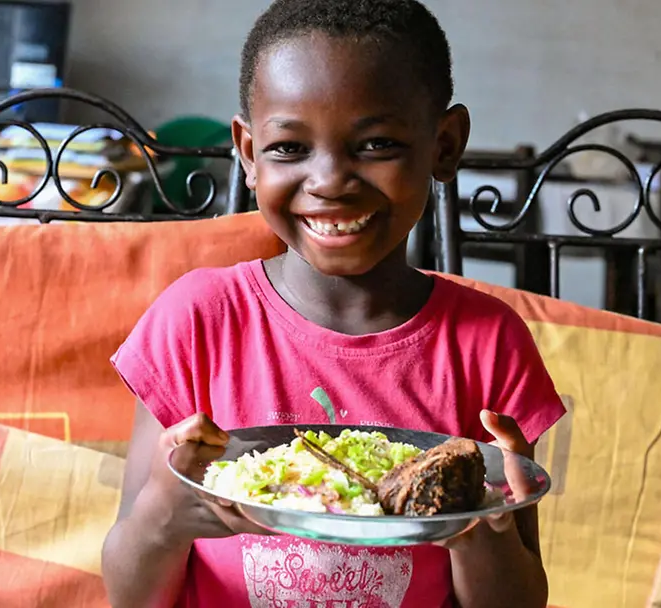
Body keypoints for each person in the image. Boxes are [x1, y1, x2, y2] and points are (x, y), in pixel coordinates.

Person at [101, 1, 566, 606]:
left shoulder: (487, 344)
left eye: (376, 144)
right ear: (247, 151)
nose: (329, 181)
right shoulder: (197, 322)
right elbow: (130, 597)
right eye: (290, 148)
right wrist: (167, 513)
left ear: (444, 145)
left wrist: (474, 520)